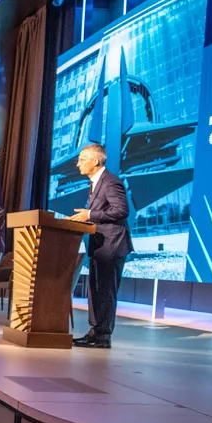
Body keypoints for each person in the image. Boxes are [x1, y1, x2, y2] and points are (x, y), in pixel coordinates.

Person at [69, 143, 133, 349]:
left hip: (111, 245)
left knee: (105, 291)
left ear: (95, 161)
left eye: (82, 160)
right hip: (100, 244)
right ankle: (94, 334)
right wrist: (82, 219)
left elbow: (121, 210)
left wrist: (89, 214)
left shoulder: (111, 182)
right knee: (96, 290)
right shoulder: (96, 183)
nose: (78, 163)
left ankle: (103, 337)